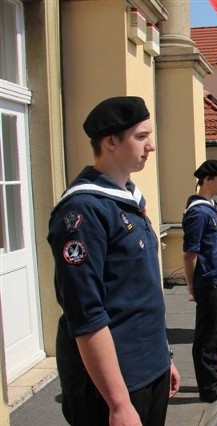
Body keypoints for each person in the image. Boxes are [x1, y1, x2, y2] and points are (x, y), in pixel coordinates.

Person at [47, 97, 179, 425]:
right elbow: (86, 314)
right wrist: (118, 404)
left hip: (149, 367)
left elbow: (143, 292)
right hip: (111, 385)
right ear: (110, 142)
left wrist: (164, 357)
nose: (151, 146)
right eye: (141, 137)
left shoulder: (129, 200)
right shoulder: (84, 211)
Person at [183, 160, 217, 403]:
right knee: (206, 335)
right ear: (207, 180)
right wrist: (192, 284)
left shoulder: (209, 207)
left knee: (215, 333)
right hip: (210, 280)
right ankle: (207, 386)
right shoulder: (197, 212)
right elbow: (189, 254)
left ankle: (215, 376)